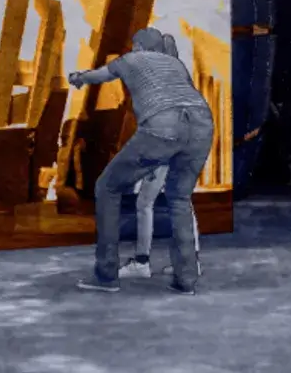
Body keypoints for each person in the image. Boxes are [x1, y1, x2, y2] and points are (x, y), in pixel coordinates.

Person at [69, 27, 215, 296]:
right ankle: (186, 280)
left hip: (163, 125)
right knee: (179, 198)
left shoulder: (130, 60)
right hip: (202, 125)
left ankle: (106, 275)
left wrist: (78, 78)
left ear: (137, 45)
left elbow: (99, 75)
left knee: (107, 187)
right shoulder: (175, 63)